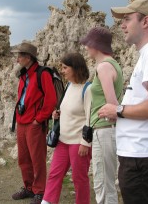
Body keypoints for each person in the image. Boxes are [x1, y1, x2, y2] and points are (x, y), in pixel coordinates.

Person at [98, 0, 148, 204]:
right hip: (140, 155)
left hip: (144, 156)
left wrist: (118, 110)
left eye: (127, 19)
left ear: (146, 22)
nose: (122, 25)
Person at [41, 52, 92, 204]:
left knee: (79, 178)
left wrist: (86, 142)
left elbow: (90, 118)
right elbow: (68, 108)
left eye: (65, 67)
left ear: (75, 68)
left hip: (78, 142)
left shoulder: (88, 89)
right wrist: (57, 114)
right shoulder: (69, 85)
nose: (62, 71)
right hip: (63, 140)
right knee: (54, 174)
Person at [80, 26, 123, 204]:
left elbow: (112, 104)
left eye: (88, 44)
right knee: (105, 183)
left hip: (104, 130)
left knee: (103, 184)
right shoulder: (113, 64)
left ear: (95, 45)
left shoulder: (104, 67)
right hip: (106, 130)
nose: (86, 48)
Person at [11, 42, 57, 204]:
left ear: (28, 57)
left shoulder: (42, 73)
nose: (17, 59)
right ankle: (28, 187)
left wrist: (39, 119)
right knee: (23, 158)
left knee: (37, 158)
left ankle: (40, 191)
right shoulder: (24, 74)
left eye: (20, 55)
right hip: (22, 122)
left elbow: (51, 100)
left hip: (34, 123)